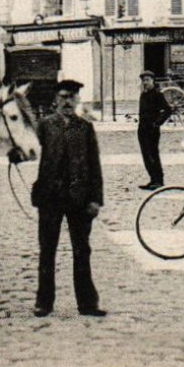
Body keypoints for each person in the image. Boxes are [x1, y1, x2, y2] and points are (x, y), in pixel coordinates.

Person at [31, 79, 105, 317]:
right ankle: (44, 302)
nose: (67, 102)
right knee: (47, 251)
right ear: (55, 100)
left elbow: (95, 165)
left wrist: (96, 199)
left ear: (77, 101)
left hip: (79, 198)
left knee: (82, 251)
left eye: (72, 98)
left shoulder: (84, 128)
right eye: (63, 97)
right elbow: (27, 147)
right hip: (50, 197)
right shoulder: (44, 126)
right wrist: (15, 155)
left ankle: (87, 303)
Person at [135, 71, 173, 190]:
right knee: (146, 155)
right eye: (143, 80)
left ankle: (159, 180)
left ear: (153, 81)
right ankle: (153, 180)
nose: (145, 83)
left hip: (152, 130)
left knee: (153, 155)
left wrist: (157, 123)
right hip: (142, 130)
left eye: (147, 80)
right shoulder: (143, 95)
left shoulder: (157, 95)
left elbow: (168, 110)